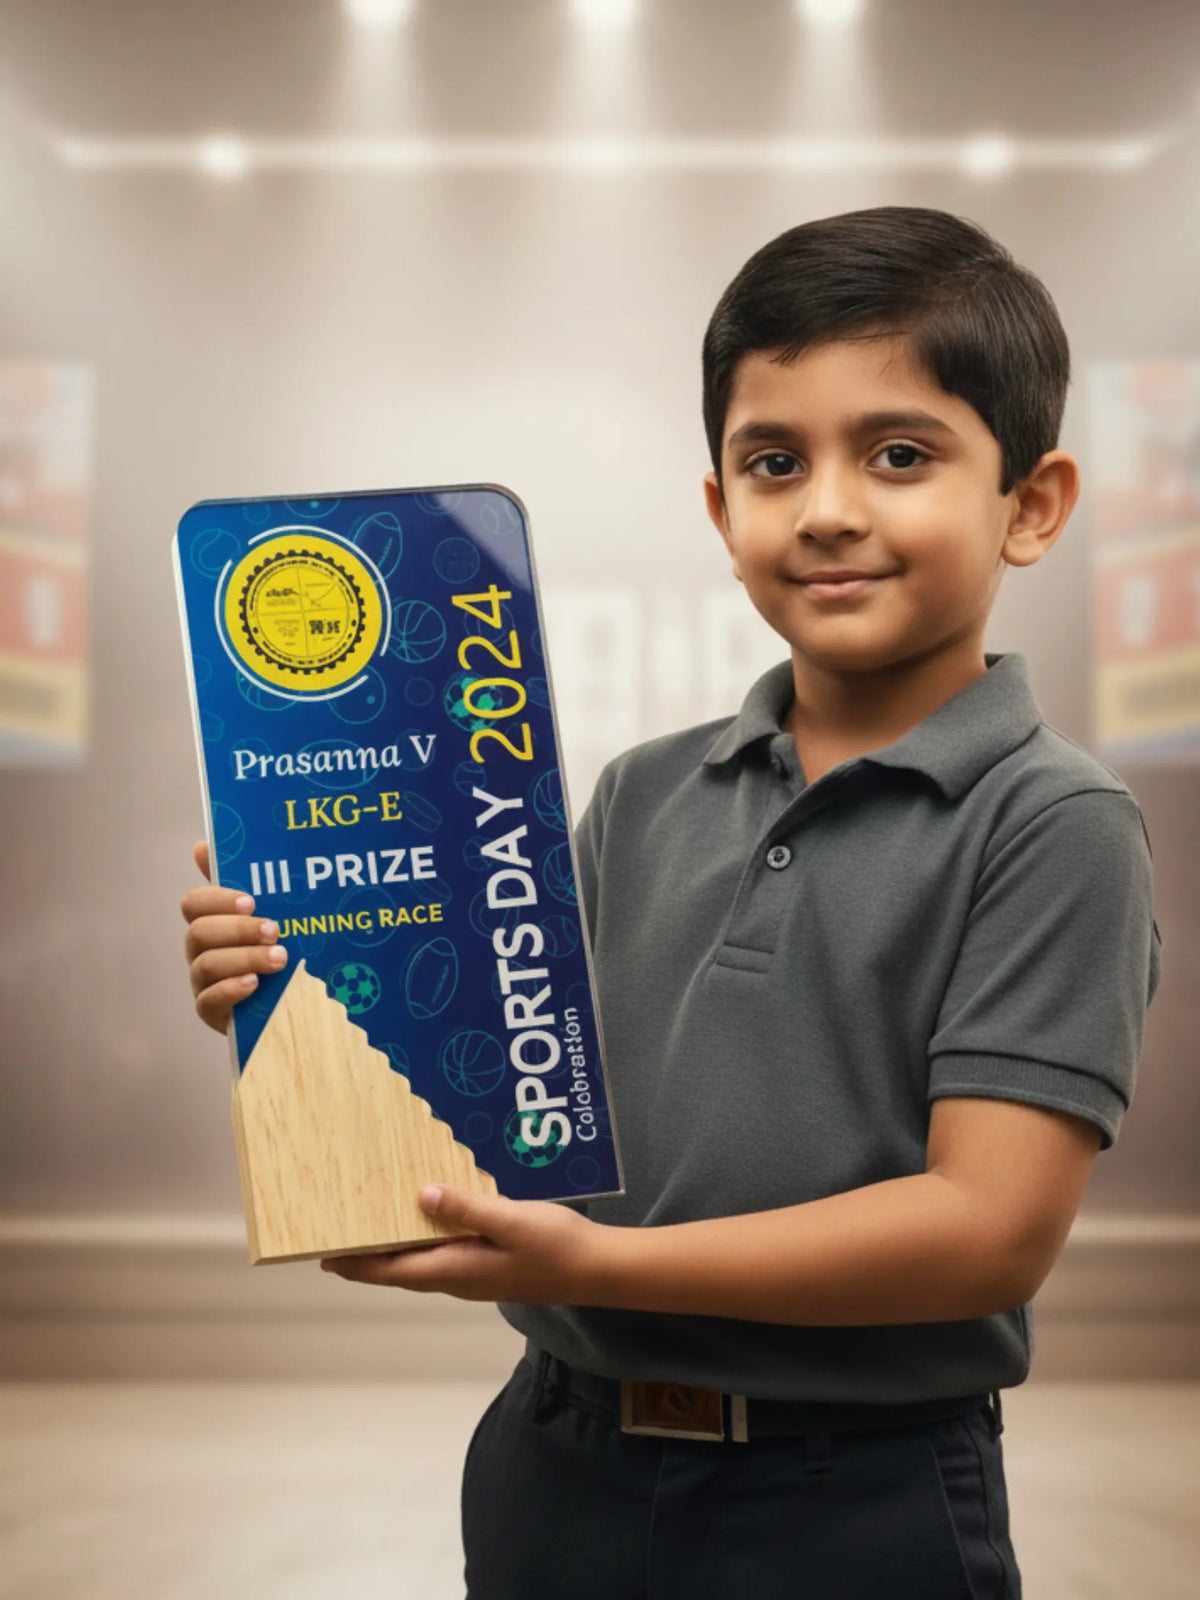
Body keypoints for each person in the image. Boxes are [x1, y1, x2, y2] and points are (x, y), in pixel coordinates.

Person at [181, 206, 1163, 1600]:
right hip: (553, 1462)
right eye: (774, 461)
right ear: (720, 508)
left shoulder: (1052, 823)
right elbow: (510, 1096)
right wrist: (294, 978)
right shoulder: (639, 794)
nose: (827, 506)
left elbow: (984, 1232)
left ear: (1033, 503)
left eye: (899, 453)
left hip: (854, 1501)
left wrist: (604, 1261)